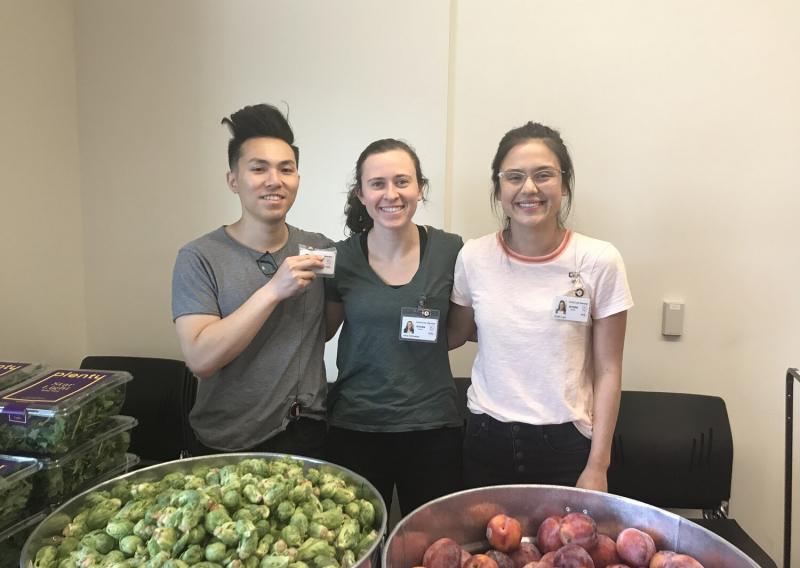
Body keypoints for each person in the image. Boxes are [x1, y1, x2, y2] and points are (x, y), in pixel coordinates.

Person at [448, 122, 633, 492]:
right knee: (484, 550)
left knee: (566, 551)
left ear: (564, 185)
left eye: (543, 175)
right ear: (499, 188)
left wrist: (598, 465)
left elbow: (609, 369)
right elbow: (457, 332)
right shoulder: (474, 256)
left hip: (566, 444)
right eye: (514, 177)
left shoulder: (599, 259)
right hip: (486, 437)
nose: (528, 188)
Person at [171, 103, 332, 457]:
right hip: (226, 442)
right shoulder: (198, 257)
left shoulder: (318, 249)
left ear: (297, 180)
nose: (274, 180)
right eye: (259, 168)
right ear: (233, 180)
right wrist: (274, 290)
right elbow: (201, 358)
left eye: (286, 169)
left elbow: (329, 322)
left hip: (307, 434)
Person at [325, 139, 464, 515]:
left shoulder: (451, 251)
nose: (392, 194)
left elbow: (457, 330)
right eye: (378, 183)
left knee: (432, 546)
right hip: (356, 428)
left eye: (402, 181)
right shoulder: (341, 259)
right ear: (361, 193)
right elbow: (321, 332)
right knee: (360, 544)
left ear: (420, 187)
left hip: (433, 428)